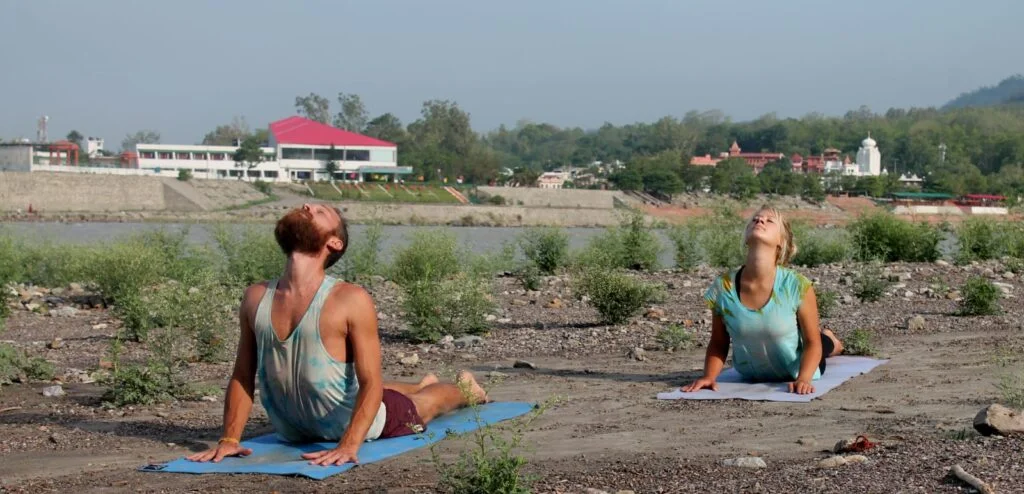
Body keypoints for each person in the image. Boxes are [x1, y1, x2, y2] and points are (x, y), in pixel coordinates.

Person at [186, 203, 488, 466]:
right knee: (364, 386)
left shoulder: (350, 299)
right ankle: (419, 383)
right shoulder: (255, 297)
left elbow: (371, 383)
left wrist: (349, 444)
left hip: (355, 424)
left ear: (334, 243)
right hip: (294, 430)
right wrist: (229, 439)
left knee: (423, 408)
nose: (306, 206)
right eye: (307, 206)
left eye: (319, 212)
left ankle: (466, 389)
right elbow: (242, 375)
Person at [681, 206, 844, 395]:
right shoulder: (723, 287)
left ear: (781, 242)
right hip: (750, 374)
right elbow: (718, 342)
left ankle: (831, 339)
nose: (759, 221)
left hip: (796, 368)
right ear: (746, 237)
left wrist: (804, 379)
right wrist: (709, 377)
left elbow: (812, 343)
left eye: (769, 220)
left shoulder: (797, 285)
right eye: (755, 219)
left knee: (822, 343)